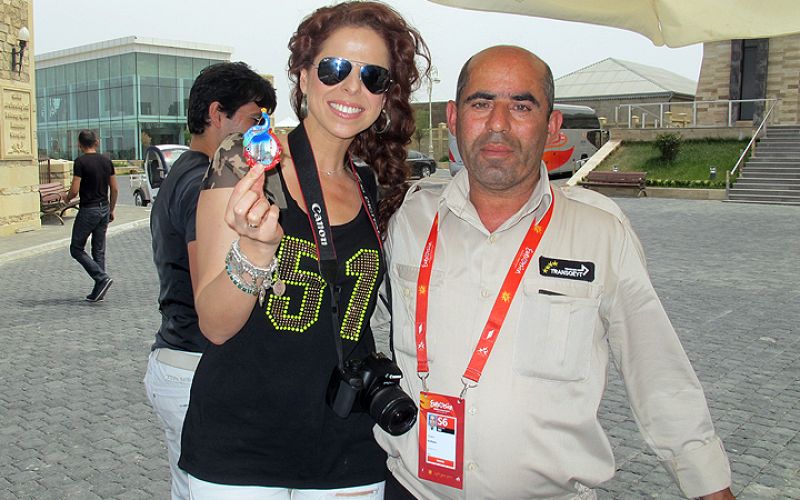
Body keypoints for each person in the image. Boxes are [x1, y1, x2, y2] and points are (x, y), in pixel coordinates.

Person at [373, 46, 735, 500]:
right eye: (481, 103)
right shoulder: (408, 218)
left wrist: (709, 486)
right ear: (453, 116)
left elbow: (657, 372)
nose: (498, 123)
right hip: (413, 491)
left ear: (552, 125)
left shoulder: (600, 232)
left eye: (521, 106)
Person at [178, 2, 430, 498]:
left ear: (386, 95)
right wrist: (253, 250)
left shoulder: (370, 183)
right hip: (242, 450)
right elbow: (214, 323)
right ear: (303, 74)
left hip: (347, 447)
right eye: (335, 68)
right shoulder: (249, 161)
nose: (351, 88)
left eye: (373, 76)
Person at [144, 62, 276, 500]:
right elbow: (212, 292)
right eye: (254, 119)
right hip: (194, 365)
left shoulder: (183, 169)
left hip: (178, 358)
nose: (260, 132)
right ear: (217, 113)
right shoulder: (204, 179)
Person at [66, 130, 118, 302]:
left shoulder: (80, 162)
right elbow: (115, 188)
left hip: (89, 209)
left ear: (80, 145)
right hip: (103, 208)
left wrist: (66, 200)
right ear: (96, 142)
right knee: (99, 250)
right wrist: (111, 209)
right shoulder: (106, 161)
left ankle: (100, 278)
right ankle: (99, 288)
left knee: (76, 248)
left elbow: (74, 190)